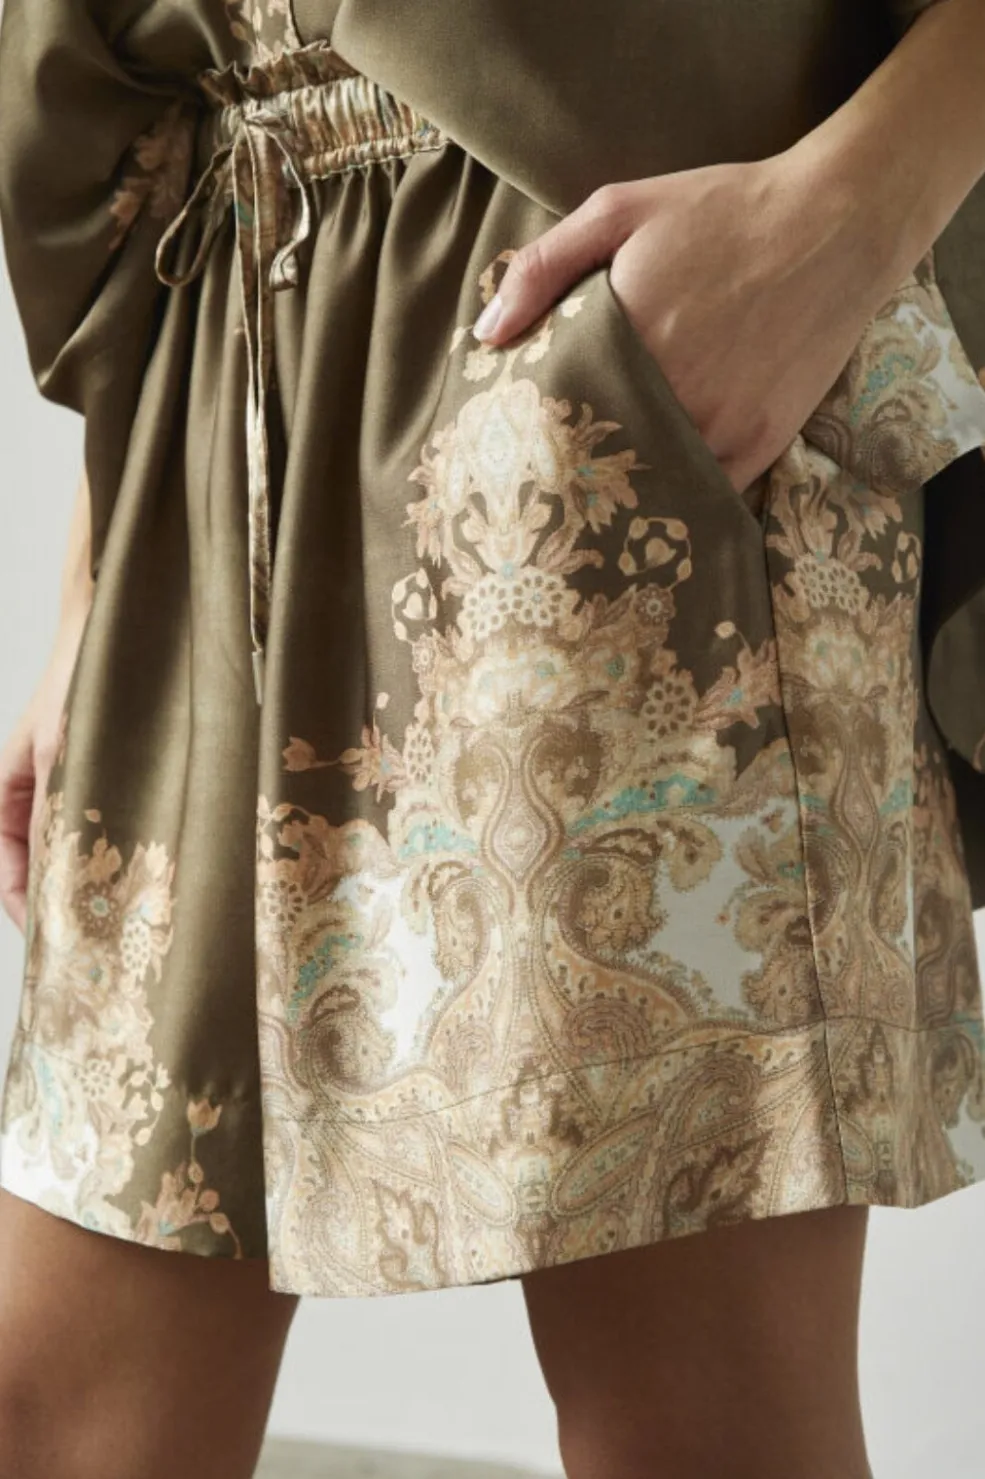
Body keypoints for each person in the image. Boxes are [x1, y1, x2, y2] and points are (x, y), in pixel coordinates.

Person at [1, 1, 984, 1476]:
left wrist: (849, 212)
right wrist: (90, 587)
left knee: (696, 1423)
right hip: (214, 377)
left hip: (600, 342)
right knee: (63, 1409)